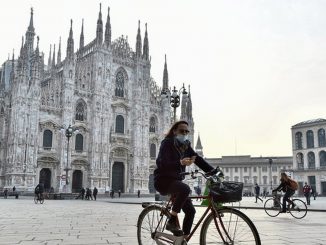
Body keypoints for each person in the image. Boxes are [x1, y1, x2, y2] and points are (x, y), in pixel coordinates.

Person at [154, 120, 215, 237]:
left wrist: (213, 171)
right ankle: (172, 220)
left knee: (191, 211)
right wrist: (180, 162)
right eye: (182, 131)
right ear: (174, 131)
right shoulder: (166, 143)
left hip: (176, 181)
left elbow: (197, 159)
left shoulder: (186, 146)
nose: (184, 133)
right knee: (185, 189)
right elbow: (163, 164)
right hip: (163, 180)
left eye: (186, 131)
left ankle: (184, 239)